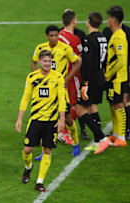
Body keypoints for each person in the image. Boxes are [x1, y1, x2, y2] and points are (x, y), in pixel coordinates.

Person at [16, 50, 66, 192]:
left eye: (50, 61)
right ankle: (28, 167)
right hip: (35, 120)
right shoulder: (32, 77)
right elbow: (25, 98)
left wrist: (61, 119)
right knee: (27, 149)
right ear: (39, 61)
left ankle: (39, 181)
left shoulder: (58, 77)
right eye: (45, 61)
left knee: (47, 150)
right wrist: (20, 118)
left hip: (51, 121)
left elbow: (62, 99)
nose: (48, 64)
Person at [31, 25, 82, 157]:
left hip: (60, 89)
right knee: (46, 119)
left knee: (68, 119)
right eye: (51, 35)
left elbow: (77, 62)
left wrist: (67, 79)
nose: (54, 38)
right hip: (46, 91)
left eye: (56, 35)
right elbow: (33, 62)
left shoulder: (65, 48)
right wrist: (37, 77)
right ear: (47, 36)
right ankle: (45, 150)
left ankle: (76, 142)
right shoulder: (41, 48)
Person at [78, 12, 111, 154]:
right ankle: (97, 142)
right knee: (93, 107)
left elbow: (87, 63)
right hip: (100, 76)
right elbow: (104, 59)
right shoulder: (103, 37)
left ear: (89, 22)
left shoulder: (88, 39)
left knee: (80, 109)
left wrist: (84, 83)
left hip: (90, 78)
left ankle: (102, 137)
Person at [59, 9, 88, 140]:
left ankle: (61, 131)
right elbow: (80, 61)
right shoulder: (75, 39)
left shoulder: (58, 35)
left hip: (60, 75)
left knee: (63, 104)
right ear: (73, 21)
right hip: (72, 77)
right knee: (73, 105)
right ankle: (65, 133)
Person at [103, 7, 130, 141]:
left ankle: (121, 137)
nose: (107, 21)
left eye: (108, 18)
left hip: (118, 78)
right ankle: (115, 134)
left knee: (118, 105)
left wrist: (108, 74)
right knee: (113, 104)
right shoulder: (116, 34)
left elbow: (121, 61)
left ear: (113, 19)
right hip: (115, 78)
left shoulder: (119, 36)